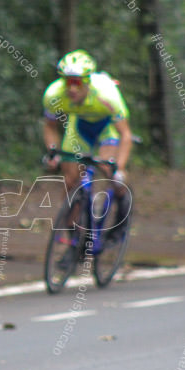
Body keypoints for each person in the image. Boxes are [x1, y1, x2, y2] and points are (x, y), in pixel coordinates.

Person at [41, 49, 133, 241]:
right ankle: (73, 237)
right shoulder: (53, 94)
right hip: (80, 128)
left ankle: (123, 205)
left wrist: (120, 168)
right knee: (70, 181)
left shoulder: (107, 96)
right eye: (68, 81)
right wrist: (52, 153)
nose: (72, 88)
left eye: (78, 82)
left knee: (109, 170)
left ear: (88, 81)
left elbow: (125, 135)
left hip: (107, 128)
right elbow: (50, 127)